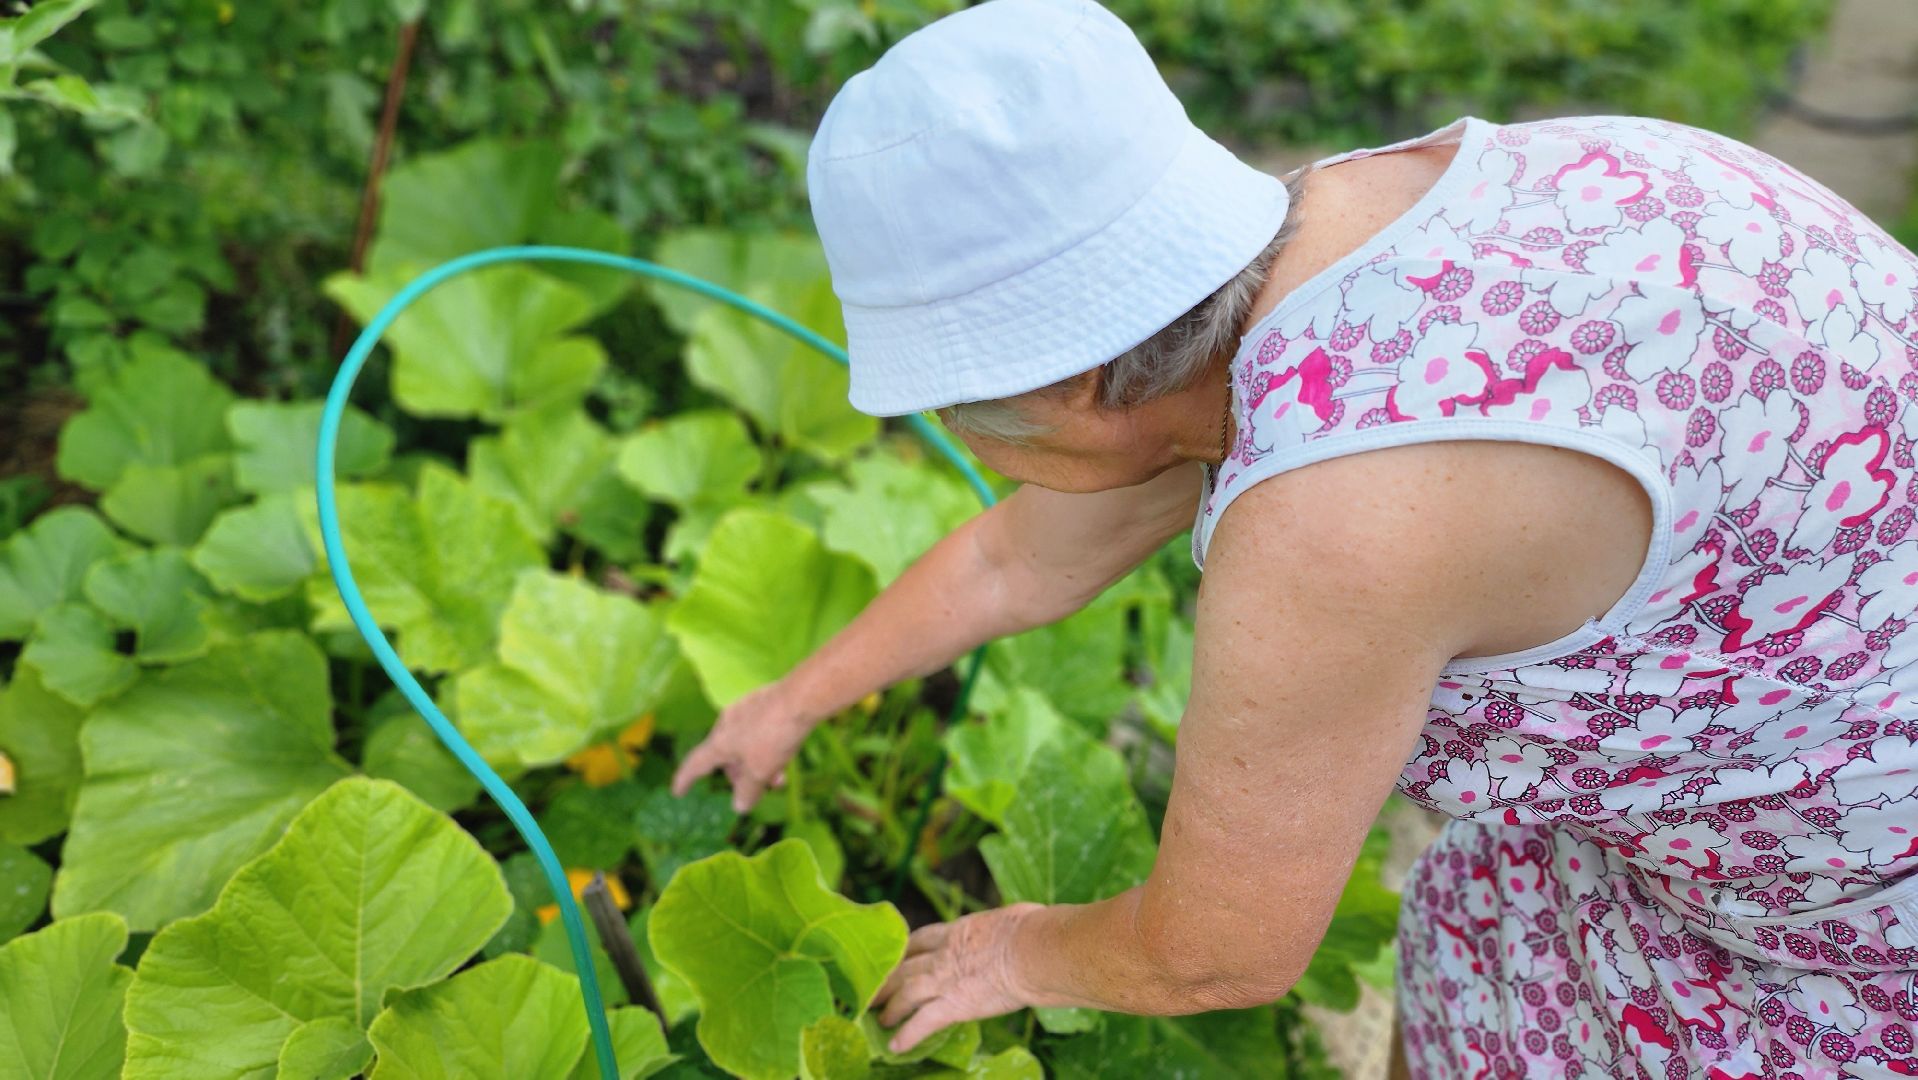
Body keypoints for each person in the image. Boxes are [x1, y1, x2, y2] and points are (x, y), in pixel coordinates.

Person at [670, 0, 1918, 1074]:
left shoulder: (1334, 524)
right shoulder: (1353, 221)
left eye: (959, 404)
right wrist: (791, 699)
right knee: (1484, 931)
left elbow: (1217, 954)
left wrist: (1014, 947)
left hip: (1844, 905)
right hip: (1799, 673)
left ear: (1070, 389)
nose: (957, 430)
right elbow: (1021, 556)